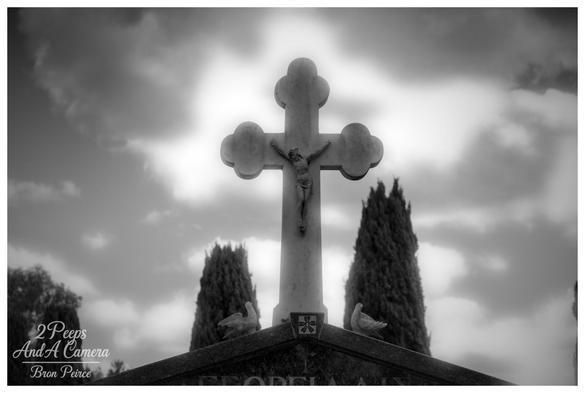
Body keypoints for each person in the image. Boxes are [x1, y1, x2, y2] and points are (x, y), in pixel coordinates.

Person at [271, 139, 331, 233]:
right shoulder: (293, 162)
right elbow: (282, 153)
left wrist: (326, 145)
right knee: (301, 200)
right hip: (299, 183)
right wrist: (275, 146)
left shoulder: (305, 159)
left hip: (308, 183)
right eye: (293, 155)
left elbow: (317, 153)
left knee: (306, 201)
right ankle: (299, 220)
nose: (294, 156)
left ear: (297, 154)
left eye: (294, 154)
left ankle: (304, 221)